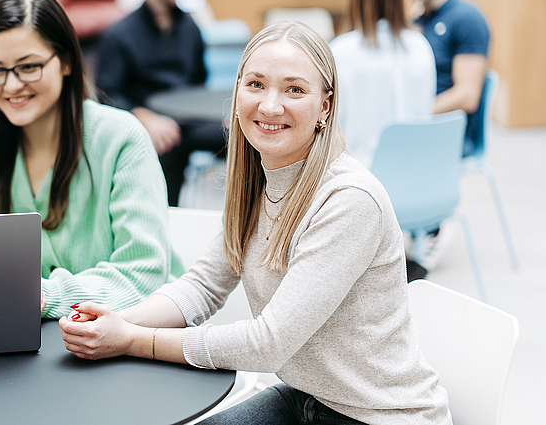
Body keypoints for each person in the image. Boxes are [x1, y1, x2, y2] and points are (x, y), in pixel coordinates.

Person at [59, 22, 451, 425]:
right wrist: (117, 321)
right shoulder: (256, 183)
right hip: (308, 398)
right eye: (256, 85)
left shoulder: (349, 199)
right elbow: (203, 286)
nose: (269, 106)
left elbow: (268, 343)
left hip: (380, 415)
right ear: (237, 93)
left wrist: (133, 341)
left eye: (294, 90)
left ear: (325, 106)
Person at [0, 0, 177, 320]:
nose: (11, 85)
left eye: (29, 66)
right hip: (23, 334)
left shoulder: (120, 138)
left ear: (67, 62)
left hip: (126, 332)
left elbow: (143, 271)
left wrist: (47, 296)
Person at [95, 0, 225, 206]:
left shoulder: (190, 27)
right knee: (164, 144)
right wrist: (143, 117)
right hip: (149, 122)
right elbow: (107, 94)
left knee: (243, 138)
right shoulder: (119, 35)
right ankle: (165, 217)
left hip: (189, 120)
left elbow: (199, 81)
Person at [331, 0, 436, 169]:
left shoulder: (341, 50)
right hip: (418, 169)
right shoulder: (420, 46)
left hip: (359, 173)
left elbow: (331, 125)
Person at [401, 0, 490, 157]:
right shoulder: (417, 20)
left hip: (448, 136)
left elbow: (467, 96)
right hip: (419, 128)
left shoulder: (467, 18)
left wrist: (411, 114)